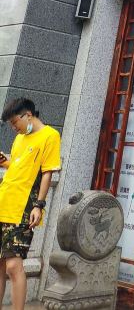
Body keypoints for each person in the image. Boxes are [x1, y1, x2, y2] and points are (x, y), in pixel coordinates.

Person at [0, 98, 61, 310]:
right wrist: (5, 162)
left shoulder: (50, 135)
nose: (14, 128)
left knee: (13, 266)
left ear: (27, 115)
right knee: (0, 265)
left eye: (14, 122)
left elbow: (47, 172)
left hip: (24, 208)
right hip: (4, 201)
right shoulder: (19, 139)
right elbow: (18, 166)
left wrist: (39, 205)